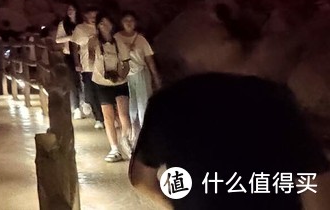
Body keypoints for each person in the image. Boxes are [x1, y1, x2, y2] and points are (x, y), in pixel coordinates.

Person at [129, 73, 330, 208]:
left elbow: (140, 179)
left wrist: (175, 206)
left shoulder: (168, 102)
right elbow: (315, 182)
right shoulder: (274, 99)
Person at [89, 13, 133, 162]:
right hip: (102, 82)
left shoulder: (119, 41)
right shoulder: (94, 42)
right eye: (102, 24)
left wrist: (120, 75)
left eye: (107, 23)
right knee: (108, 116)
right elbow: (90, 60)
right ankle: (114, 148)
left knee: (123, 114)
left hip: (120, 81)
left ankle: (127, 142)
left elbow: (126, 63)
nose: (105, 27)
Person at [116, 11, 160, 141]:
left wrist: (155, 76)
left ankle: (143, 133)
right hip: (124, 76)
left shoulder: (141, 39)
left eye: (131, 21)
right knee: (129, 104)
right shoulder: (116, 38)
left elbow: (149, 59)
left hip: (140, 73)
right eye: (126, 20)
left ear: (135, 23)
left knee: (143, 103)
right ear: (121, 23)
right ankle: (131, 132)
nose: (129, 23)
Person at [70, 7, 105, 127]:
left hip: (102, 65)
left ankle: (105, 117)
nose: (93, 19)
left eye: (95, 16)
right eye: (91, 16)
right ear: (85, 16)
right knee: (91, 93)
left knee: (102, 92)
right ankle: (99, 118)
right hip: (87, 66)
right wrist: (77, 63)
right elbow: (74, 47)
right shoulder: (80, 29)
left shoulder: (102, 26)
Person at [54, 3, 83, 117]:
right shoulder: (63, 24)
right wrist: (71, 37)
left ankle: (84, 102)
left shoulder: (81, 24)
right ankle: (75, 106)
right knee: (72, 79)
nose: (70, 11)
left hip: (83, 53)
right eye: (68, 9)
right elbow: (58, 39)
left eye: (72, 9)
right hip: (69, 54)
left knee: (83, 79)